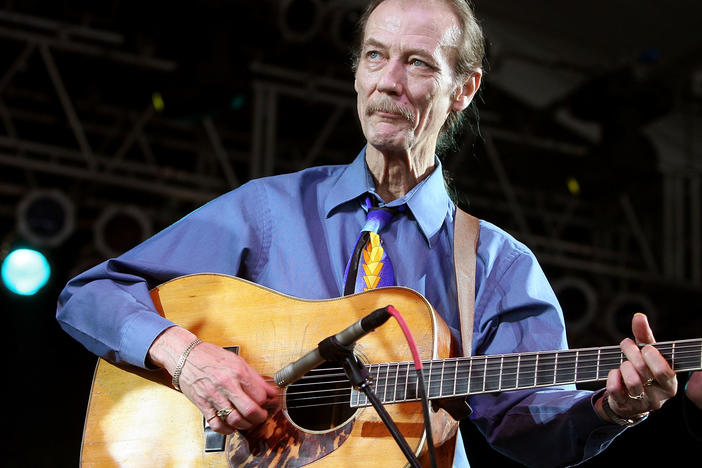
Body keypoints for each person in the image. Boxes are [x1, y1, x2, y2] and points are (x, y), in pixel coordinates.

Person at [56, 0, 679, 466]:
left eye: (417, 64)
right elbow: (89, 296)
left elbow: (533, 429)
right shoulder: (270, 209)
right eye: (375, 55)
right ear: (356, 71)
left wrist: (609, 411)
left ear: (464, 89)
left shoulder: (497, 266)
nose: (387, 81)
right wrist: (188, 357)